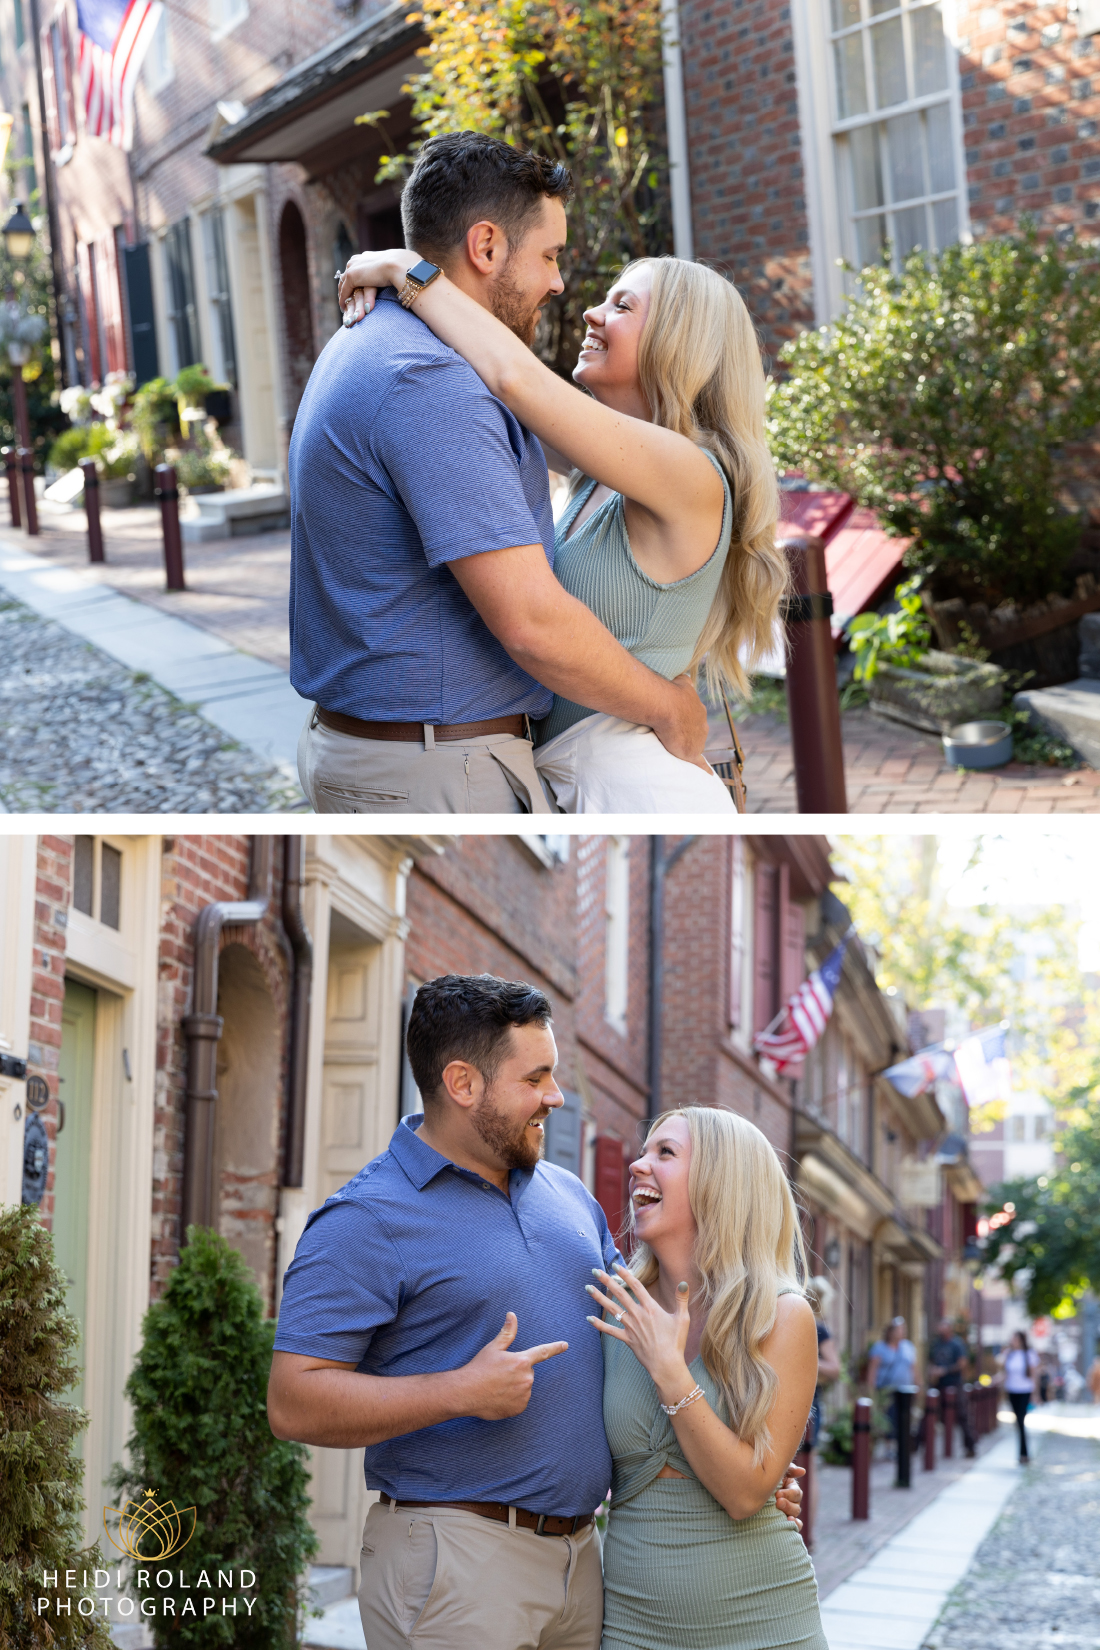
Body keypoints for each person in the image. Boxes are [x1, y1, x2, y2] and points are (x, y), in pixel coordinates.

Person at [267, 974, 802, 1650]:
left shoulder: (569, 1196)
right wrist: (459, 1391)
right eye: (536, 1078)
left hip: (585, 1564)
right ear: (463, 1084)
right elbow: (292, 1401)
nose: (555, 1095)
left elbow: (651, 1338)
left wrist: (753, 1466)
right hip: (457, 1559)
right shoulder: (366, 1218)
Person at [289, 132, 709, 814]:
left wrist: (406, 271)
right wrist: (668, 706)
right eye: (548, 255)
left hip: (391, 751)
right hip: (438, 767)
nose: (559, 283)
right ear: (486, 248)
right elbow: (532, 624)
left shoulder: (370, 342)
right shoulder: (432, 382)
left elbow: (538, 401)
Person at [338, 229, 788, 813]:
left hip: (635, 786)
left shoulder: (690, 474)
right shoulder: (601, 472)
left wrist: (408, 269)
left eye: (622, 306)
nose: (590, 313)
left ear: (680, 342)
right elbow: (475, 387)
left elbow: (513, 378)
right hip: (582, 777)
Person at [585, 1106, 826, 1650]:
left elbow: (744, 1495)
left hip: (761, 1622)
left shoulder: (782, 1317)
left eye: (664, 1153)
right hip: (630, 1622)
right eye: (644, 1151)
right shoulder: (614, 1308)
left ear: (721, 1182)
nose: (637, 1166)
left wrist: (672, 1374)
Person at [866, 1317, 918, 1455]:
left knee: (905, 1419)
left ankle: (903, 1447)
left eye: (903, 1329)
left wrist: (919, 1386)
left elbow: (914, 1369)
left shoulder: (908, 1347)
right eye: (899, 1329)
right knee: (889, 1419)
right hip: (886, 1390)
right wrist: (871, 1391)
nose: (901, 1332)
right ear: (891, 1331)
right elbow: (873, 1370)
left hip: (906, 1391)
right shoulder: (880, 1348)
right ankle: (889, 1446)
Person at [927, 1316, 976, 1457]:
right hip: (938, 1383)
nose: (940, 1329)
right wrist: (933, 1371)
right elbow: (931, 1361)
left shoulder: (957, 1344)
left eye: (942, 1326)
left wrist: (945, 1370)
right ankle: (917, 1445)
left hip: (954, 1383)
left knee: (962, 1414)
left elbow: (963, 1363)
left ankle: (970, 1445)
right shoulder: (936, 1344)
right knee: (929, 1412)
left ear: (949, 1328)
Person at [1000, 1330, 1039, 1463]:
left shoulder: (1029, 1354)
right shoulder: (1009, 1354)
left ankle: (1024, 1453)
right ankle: (1023, 1453)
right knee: (1018, 1421)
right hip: (1012, 1390)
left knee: (1021, 1420)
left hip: (1024, 1390)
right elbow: (1004, 1373)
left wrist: (1035, 1394)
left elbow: (1034, 1375)